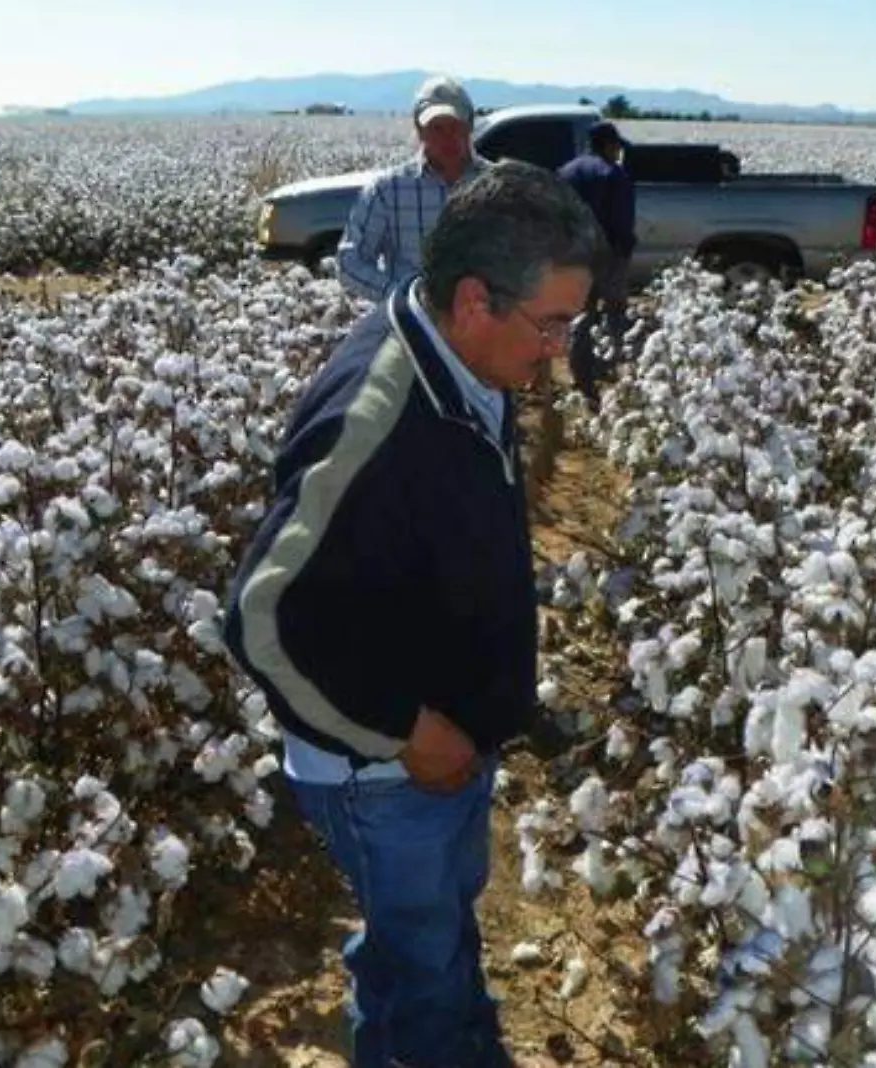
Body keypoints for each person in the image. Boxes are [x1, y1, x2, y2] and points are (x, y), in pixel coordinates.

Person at [221, 161, 597, 1068]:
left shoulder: (463, 363)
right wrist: (403, 733)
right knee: (421, 962)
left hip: (442, 749)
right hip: (384, 775)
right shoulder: (379, 416)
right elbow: (260, 613)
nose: (560, 347)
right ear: (476, 299)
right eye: (552, 323)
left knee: (422, 939)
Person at [336, 73, 491, 302]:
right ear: (420, 131)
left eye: (454, 126)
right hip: (412, 323)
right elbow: (350, 262)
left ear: (469, 127)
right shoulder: (389, 190)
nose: (447, 138)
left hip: (487, 323)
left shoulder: (498, 187)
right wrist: (400, 296)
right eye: (436, 128)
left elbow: (528, 258)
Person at [556, 121, 637, 407]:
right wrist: (625, 250)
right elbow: (622, 221)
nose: (618, 152)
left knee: (581, 316)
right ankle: (616, 373)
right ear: (607, 145)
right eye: (616, 146)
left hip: (573, 257)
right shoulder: (613, 174)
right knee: (615, 314)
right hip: (608, 256)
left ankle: (581, 376)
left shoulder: (565, 173)